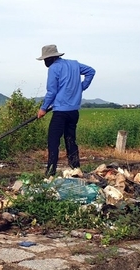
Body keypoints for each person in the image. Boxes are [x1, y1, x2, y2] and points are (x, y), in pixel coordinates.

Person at [36, 44, 95, 177]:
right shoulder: (74, 64)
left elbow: (52, 91)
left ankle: (50, 172)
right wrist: (81, 87)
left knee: (53, 141)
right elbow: (91, 71)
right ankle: (75, 168)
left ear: (50, 58)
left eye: (45, 59)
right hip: (74, 112)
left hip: (60, 112)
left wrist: (43, 108)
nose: (45, 62)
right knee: (70, 140)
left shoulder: (53, 68)